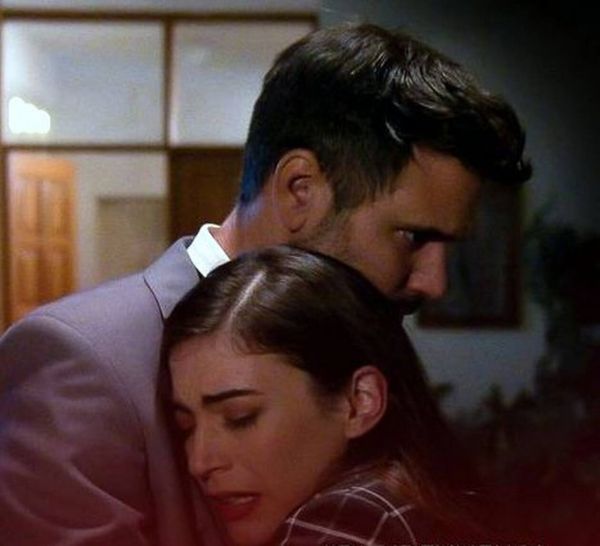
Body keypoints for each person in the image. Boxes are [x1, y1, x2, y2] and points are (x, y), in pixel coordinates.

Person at [0, 23, 530, 546]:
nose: (435, 283)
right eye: (413, 237)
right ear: (301, 190)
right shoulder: (86, 362)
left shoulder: (354, 344)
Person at [165, 245, 483, 546]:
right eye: (185, 427)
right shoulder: (410, 500)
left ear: (359, 402)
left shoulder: (351, 520)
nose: (199, 462)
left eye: (240, 417)